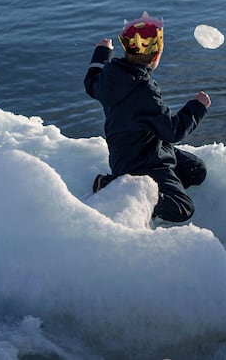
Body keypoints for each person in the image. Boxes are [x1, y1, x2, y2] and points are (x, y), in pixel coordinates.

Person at [83, 12, 211, 223]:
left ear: (125, 48)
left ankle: (159, 187)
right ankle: (117, 188)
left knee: (196, 170)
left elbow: (91, 82)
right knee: (183, 208)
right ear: (157, 55)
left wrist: (102, 53)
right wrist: (197, 107)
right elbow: (173, 131)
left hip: (144, 149)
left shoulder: (109, 78)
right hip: (141, 162)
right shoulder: (144, 91)